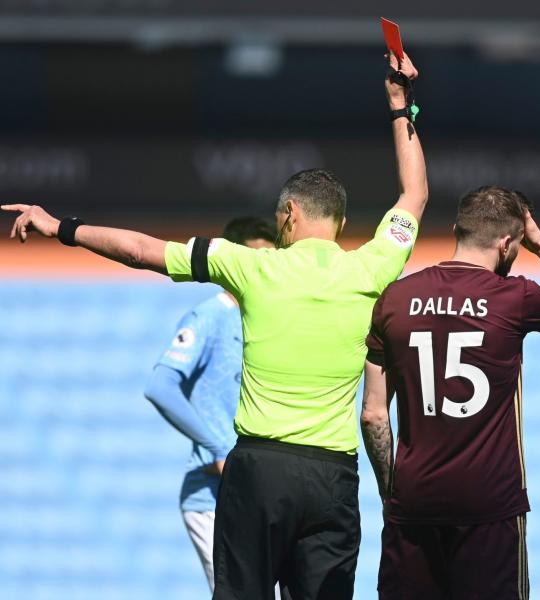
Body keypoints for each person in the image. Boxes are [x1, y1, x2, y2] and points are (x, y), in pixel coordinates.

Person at [3, 51, 426, 599]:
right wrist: (400, 104)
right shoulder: (370, 266)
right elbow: (414, 194)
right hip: (332, 478)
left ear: (288, 215)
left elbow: (141, 250)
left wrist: (61, 227)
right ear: (342, 222)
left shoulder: (247, 265)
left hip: (258, 470)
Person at [360, 186, 540, 599]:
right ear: (507, 243)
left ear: (456, 228)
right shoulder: (516, 296)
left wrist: (392, 493)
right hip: (489, 506)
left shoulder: (396, 297)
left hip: (414, 503)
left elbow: (373, 414)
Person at [143, 216, 274, 593]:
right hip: (212, 496)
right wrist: (218, 447)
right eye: (255, 259)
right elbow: (161, 385)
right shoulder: (212, 315)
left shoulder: (267, 317)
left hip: (260, 489)